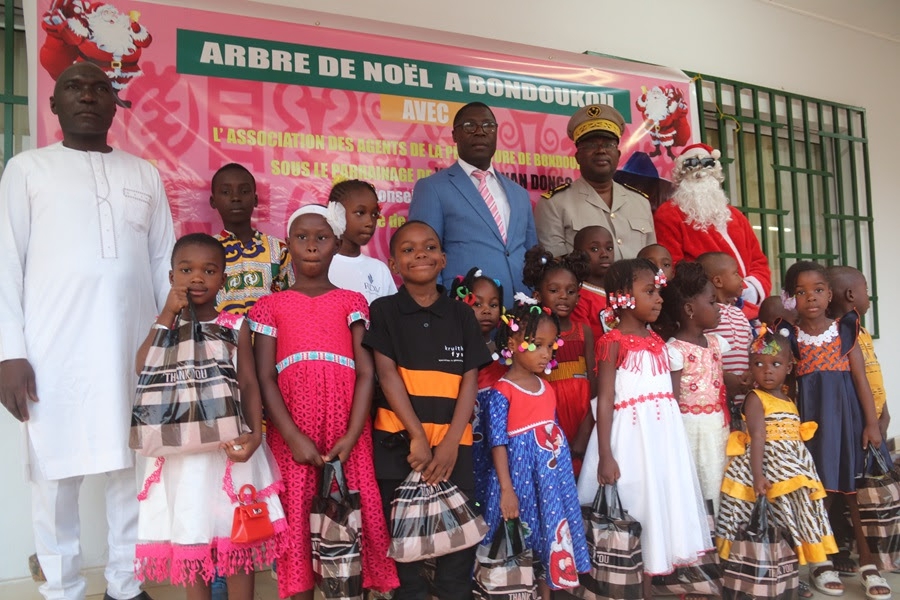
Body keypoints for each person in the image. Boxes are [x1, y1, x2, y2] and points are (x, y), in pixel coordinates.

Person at [0, 62, 174, 600]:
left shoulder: (144, 173)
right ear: (53, 105)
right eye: (74, 87)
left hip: (134, 349)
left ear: (115, 105)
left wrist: (167, 346)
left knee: (132, 469)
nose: (88, 96)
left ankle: (126, 585)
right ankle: (63, 589)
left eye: (101, 88)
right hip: (53, 352)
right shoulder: (27, 169)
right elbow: (6, 262)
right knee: (55, 477)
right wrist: (10, 352)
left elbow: (165, 262)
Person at [249, 204, 398, 599]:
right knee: (297, 513)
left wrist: (353, 433)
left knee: (353, 513)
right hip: (293, 429)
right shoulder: (270, 306)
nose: (311, 245)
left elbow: (366, 371)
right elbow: (265, 376)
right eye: (301, 237)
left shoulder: (352, 301)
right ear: (288, 247)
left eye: (321, 237)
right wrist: (292, 436)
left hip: (347, 428)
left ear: (336, 245)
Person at [133, 234, 288, 598]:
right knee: (192, 538)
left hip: (228, 451)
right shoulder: (166, 326)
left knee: (236, 540)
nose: (197, 278)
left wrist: (255, 435)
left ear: (223, 278)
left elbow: (249, 383)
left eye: (208, 270)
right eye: (186, 270)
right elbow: (143, 366)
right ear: (171, 277)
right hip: (181, 456)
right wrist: (168, 313)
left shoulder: (235, 325)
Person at [363, 220, 492, 600]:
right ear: (393, 264)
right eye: (408, 249)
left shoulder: (461, 315)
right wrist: (417, 436)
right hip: (400, 449)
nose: (420, 253)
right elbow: (386, 374)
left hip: (455, 452)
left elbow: (470, 379)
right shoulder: (384, 310)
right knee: (408, 566)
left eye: (429, 247)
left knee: (456, 560)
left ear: (443, 259)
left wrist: (452, 441)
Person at [578, 259, 711, 592]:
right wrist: (606, 454)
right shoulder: (612, 342)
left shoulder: (656, 341)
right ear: (622, 296)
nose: (659, 299)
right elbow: (605, 400)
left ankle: (651, 583)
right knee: (635, 507)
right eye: (649, 291)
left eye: (658, 291)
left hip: (661, 441)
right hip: (630, 442)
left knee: (660, 507)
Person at [783, 261, 891, 600]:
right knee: (820, 495)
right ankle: (821, 561)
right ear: (792, 298)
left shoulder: (846, 330)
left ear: (830, 295)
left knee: (854, 495)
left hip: (849, 424)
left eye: (817, 290)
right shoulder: (789, 337)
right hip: (811, 428)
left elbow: (860, 379)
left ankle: (869, 563)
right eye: (801, 292)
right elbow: (786, 386)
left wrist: (872, 425)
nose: (811, 298)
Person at [476, 300, 590, 597]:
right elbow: (497, 443)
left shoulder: (547, 388)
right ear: (512, 343)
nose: (546, 353)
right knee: (519, 544)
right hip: (518, 484)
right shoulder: (502, 392)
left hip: (550, 483)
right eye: (537, 344)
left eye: (551, 346)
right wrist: (506, 489)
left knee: (547, 538)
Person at [715, 329, 837, 592]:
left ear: (789, 367)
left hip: (791, 473)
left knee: (789, 525)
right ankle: (753, 573)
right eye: (758, 364)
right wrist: (758, 476)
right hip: (766, 471)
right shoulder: (755, 398)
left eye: (775, 364)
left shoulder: (787, 398)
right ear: (750, 367)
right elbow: (757, 436)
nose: (766, 371)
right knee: (760, 525)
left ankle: (787, 574)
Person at [409, 102, 537, 306]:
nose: (480, 132)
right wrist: (439, 307)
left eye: (488, 126)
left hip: (520, 309)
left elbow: (532, 254)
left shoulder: (519, 193)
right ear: (454, 136)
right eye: (470, 126)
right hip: (465, 308)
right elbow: (423, 256)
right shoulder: (433, 188)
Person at [654, 144, 772, 305]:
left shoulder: (735, 215)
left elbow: (758, 261)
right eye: (692, 165)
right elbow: (672, 267)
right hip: (705, 308)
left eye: (707, 164)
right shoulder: (668, 214)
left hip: (748, 306)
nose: (700, 171)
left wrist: (750, 289)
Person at [534, 104, 655, 260]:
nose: (601, 150)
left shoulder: (640, 202)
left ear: (618, 154)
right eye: (591, 145)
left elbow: (653, 261)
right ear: (577, 157)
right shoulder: (554, 204)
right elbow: (557, 270)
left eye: (608, 144)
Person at [659, 261, 730, 514]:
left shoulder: (715, 342)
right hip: (691, 429)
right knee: (697, 479)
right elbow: (672, 400)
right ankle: (703, 536)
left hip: (718, 425)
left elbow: (721, 378)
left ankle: (720, 533)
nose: (718, 308)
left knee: (719, 476)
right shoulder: (675, 350)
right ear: (689, 309)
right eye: (712, 302)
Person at [523, 246, 595, 475]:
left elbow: (593, 386)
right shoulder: (532, 335)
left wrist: (586, 431)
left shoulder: (584, 332)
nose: (563, 296)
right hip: (549, 417)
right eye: (554, 290)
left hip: (582, 416)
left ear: (578, 296)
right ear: (537, 294)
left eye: (570, 291)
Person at [449, 267, 507, 505]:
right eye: (478, 304)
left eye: (493, 305)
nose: (486, 311)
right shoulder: (456, 347)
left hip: (498, 435)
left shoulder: (506, 350)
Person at [211, 163, 293, 315]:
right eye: (225, 192)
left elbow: (291, 300)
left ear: (255, 199)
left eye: (244, 191)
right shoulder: (207, 251)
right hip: (221, 337)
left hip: (268, 337)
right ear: (213, 201)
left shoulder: (278, 249)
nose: (235, 198)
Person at [698, 252, 754, 423]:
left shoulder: (739, 313)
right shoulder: (707, 315)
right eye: (736, 273)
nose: (741, 278)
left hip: (745, 396)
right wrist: (723, 377)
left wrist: (751, 372)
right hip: (717, 397)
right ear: (718, 281)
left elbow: (751, 347)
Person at [327, 179, 398, 303]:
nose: (369, 222)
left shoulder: (379, 270)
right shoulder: (320, 265)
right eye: (360, 213)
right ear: (335, 213)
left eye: (374, 214)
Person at [571, 225, 613, 341]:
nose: (604, 254)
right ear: (578, 254)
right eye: (594, 249)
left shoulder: (619, 289)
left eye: (609, 248)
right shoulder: (578, 296)